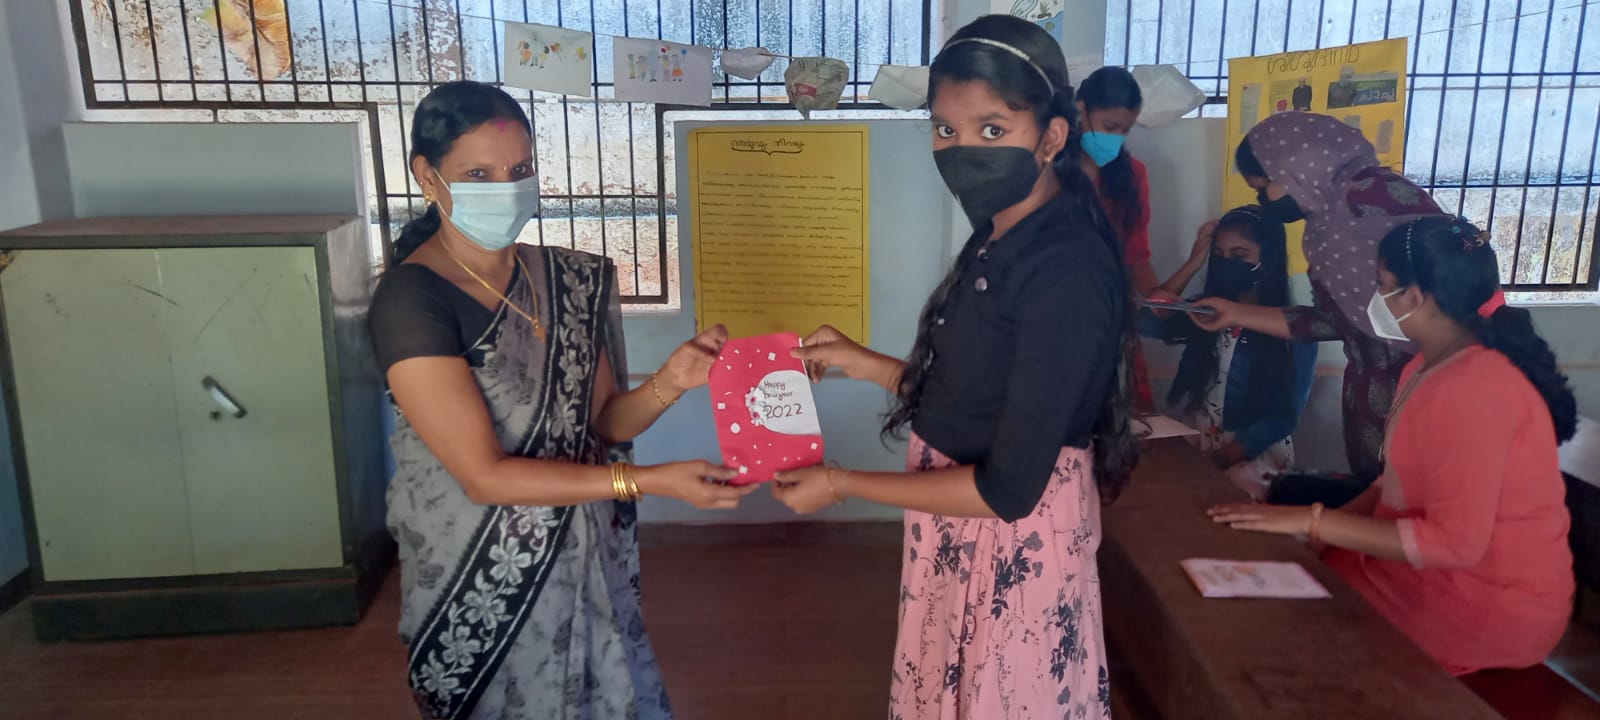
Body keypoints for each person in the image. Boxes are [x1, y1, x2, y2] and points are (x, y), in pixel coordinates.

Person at [769, 15, 1137, 717]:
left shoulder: (1066, 269)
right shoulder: (1002, 232)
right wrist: (861, 362)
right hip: (958, 536)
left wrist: (841, 484)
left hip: (1009, 549)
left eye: (993, 129)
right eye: (945, 128)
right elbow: (972, 397)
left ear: (1051, 137)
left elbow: (1008, 490)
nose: (963, 149)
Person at [367, 81, 754, 719]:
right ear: (426, 175)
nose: (505, 187)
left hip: (583, 554)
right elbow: (485, 478)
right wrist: (651, 481)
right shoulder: (413, 300)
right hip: (480, 579)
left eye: (519, 170)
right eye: (478, 174)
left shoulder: (564, 279)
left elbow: (604, 422)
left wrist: (673, 379)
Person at [1210, 216, 1577, 676]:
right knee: (1286, 583)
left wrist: (1312, 521)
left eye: (1382, 285)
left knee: (1293, 632)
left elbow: (1456, 545)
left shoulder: (1477, 387)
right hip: (1434, 572)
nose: (1375, 298)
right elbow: (1392, 485)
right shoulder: (1426, 365)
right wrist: (1318, 537)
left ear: (1416, 297)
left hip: (1489, 602)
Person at [1195, 111, 1444, 502]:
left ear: (1295, 167)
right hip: (1374, 396)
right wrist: (1234, 312)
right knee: (1378, 506)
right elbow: (1335, 321)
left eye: (1264, 186)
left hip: (1420, 393)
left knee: (1415, 506)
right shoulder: (1327, 222)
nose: (1264, 200)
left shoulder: (1364, 208)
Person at [1141, 206, 1317, 500]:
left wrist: (1224, 458)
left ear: (1267, 260)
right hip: (1199, 443)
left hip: (1252, 455)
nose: (1226, 264)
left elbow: (1285, 416)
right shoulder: (1205, 311)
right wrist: (1193, 263)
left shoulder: (1294, 327)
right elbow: (1145, 321)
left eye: (1239, 256)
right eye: (1219, 255)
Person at [1078, 65, 1159, 411]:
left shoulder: (1133, 176)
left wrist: (1161, 302)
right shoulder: (1046, 170)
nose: (1115, 139)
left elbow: (1137, 255)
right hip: (1053, 316)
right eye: (1110, 127)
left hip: (1112, 319)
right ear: (1080, 109)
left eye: (1124, 131)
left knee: (1127, 417)